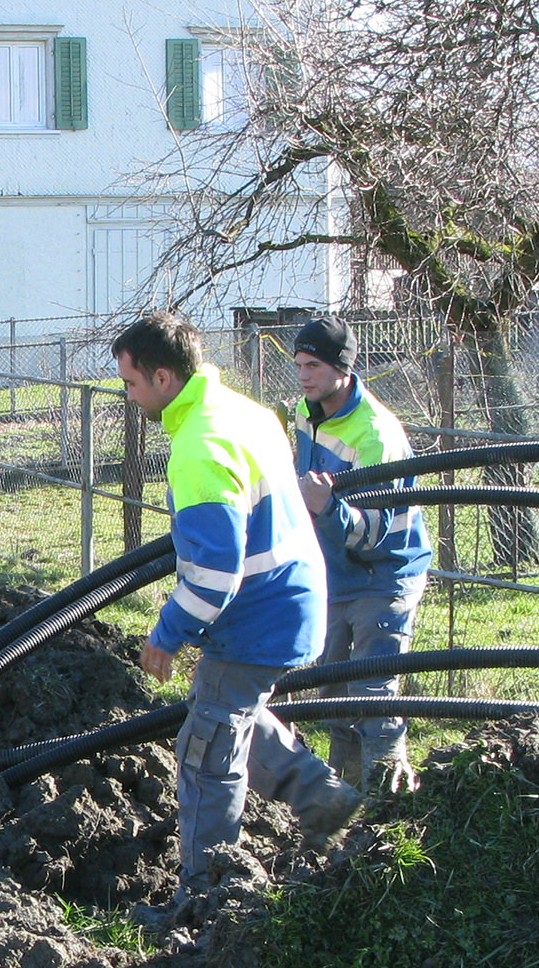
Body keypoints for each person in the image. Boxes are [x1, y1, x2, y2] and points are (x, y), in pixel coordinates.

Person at [118, 310, 359, 925]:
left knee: (205, 753)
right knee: (229, 714)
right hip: (292, 596)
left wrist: (168, 633)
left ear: (164, 376)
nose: (130, 396)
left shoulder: (199, 446)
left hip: (257, 614)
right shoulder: (246, 412)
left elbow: (214, 573)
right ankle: (324, 798)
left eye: (132, 383)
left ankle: (204, 899)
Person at [287, 318, 434, 791]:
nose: (304, 376)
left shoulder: (375, 434)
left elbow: (373, 531)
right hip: (334, 574)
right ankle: (346, 802)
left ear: (342, 368)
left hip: (383, 575)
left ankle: (386, 804)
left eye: (313, 365)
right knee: (332, 694)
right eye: (299, 365)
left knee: (373, 693)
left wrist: (326, 507)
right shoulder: (305, 412)